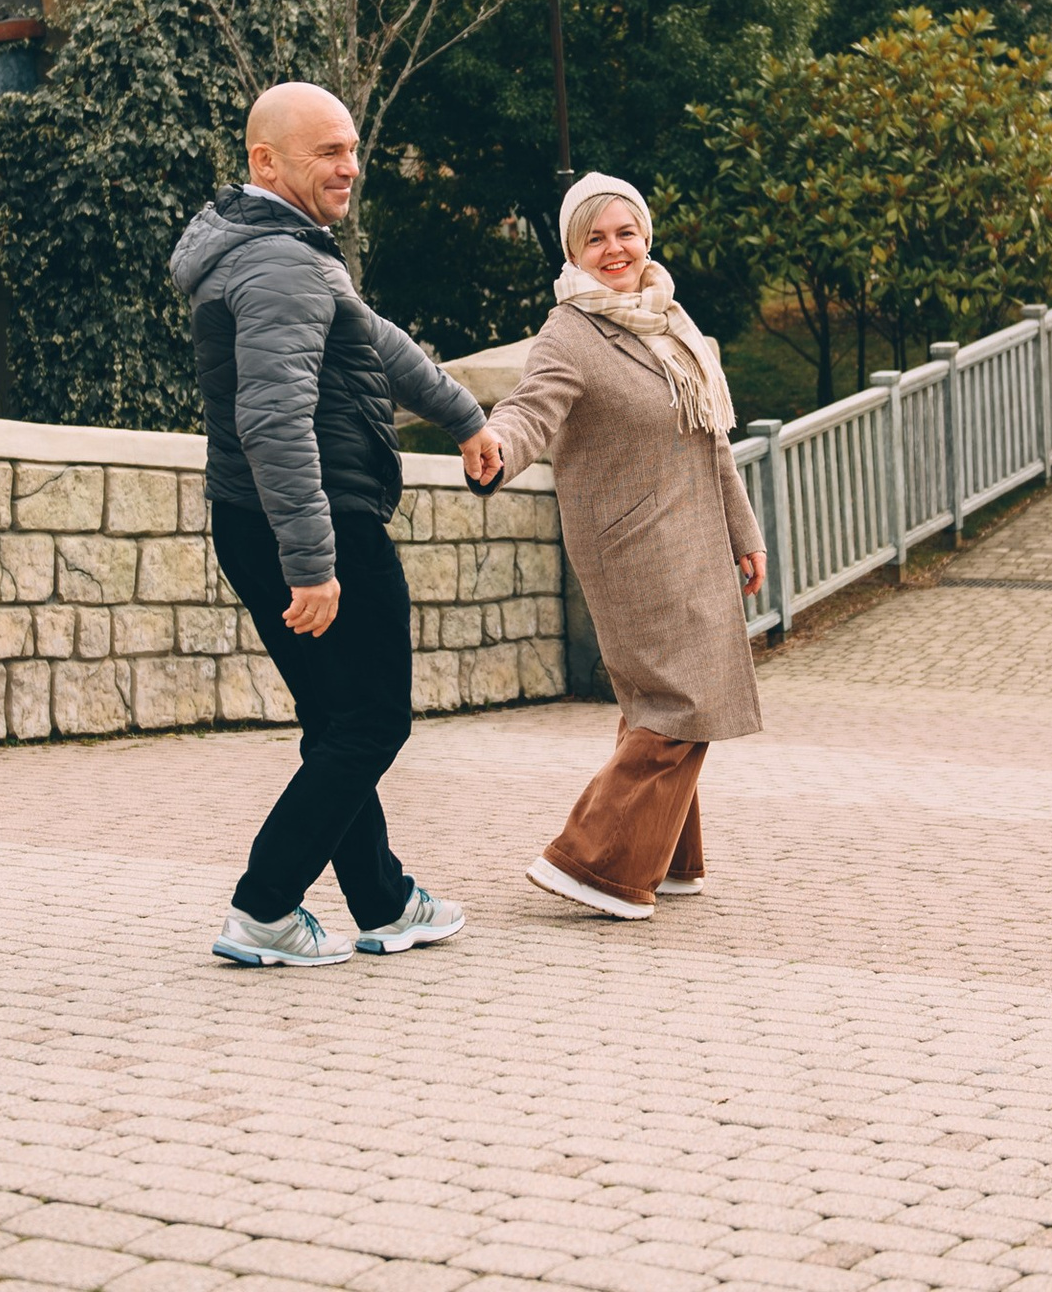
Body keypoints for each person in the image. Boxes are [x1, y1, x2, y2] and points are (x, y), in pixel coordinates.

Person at [170, 81, 506, 967]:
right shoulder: (280, 263)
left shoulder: (281, 253)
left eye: (352, 148)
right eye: (329, 151)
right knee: (371, 723)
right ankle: (265, 908)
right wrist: (315, 562)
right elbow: (274, 420)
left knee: (336, 721)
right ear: (266, 161)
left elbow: (374, 338)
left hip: (262, 518)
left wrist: (466, 417)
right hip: (319, 520)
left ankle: (386, 902)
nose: (350, 166)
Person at [477, 172, 766, 920]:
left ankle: (668, 859)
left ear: (646, 237)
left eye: (625, 233)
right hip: (633, 545)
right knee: (683, 694)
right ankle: (592, 860)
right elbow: (528, 411)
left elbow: (713, 441)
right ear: (574, 250)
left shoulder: (670, 320)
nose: (614, 250)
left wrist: (745, 532)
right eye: (595, 238)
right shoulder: (569, 331)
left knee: (660, 697)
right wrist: (496, 450)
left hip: (696, 535)